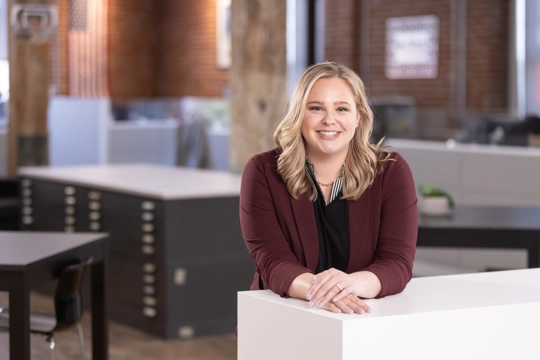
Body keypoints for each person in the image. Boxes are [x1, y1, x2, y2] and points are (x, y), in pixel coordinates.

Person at [239, 61, 418, 315]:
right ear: (299, 114)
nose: (329, 120)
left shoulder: (390, 172)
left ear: (358, 117)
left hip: (360, 318)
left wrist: (349, 284)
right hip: (281, 317)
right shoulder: (263, 171)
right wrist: (321, 290)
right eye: (316, 108)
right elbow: (272, 261)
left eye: (342, 108)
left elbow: (397, 263)